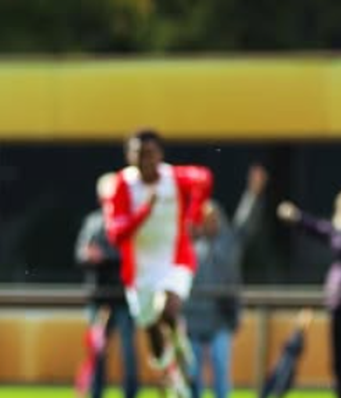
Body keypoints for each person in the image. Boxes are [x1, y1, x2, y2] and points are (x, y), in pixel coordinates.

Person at [103, 129, 213, 397]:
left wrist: (194, 217)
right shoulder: (121, 185)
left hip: (174, 260)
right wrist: (144, 212)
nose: (145, 160)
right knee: (152, 331)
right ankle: (170, 376)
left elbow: (204, 178)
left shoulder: (173, 177)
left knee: (168, 308)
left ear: (160, 155)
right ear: (130, 156)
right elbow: (115, 234)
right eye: (139, 154)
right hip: (139, 271)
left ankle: (179, 343)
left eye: (150, 154)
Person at [278, 189, 341, 398]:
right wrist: (296, 216)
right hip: (338, 301)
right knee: (340, 355)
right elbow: (314, 227)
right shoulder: (337, 230)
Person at [186, 164, 268, 398]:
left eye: (214, 218)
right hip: (192, 318)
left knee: (221, 372)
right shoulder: (188, 245)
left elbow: (246, 221)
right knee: (192, 375)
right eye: (206, 219)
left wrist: (253, 192)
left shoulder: (229, 242)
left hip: (220, 318)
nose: (211, 222)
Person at [74, 172, 139, 398]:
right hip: (99, 299)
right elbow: (81, 255)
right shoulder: (92, 222)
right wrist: (89, 256)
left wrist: (104, 257)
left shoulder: (129, 222)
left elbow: (131, 256)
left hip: (124, 299)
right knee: (97, 354)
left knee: (128, 354)